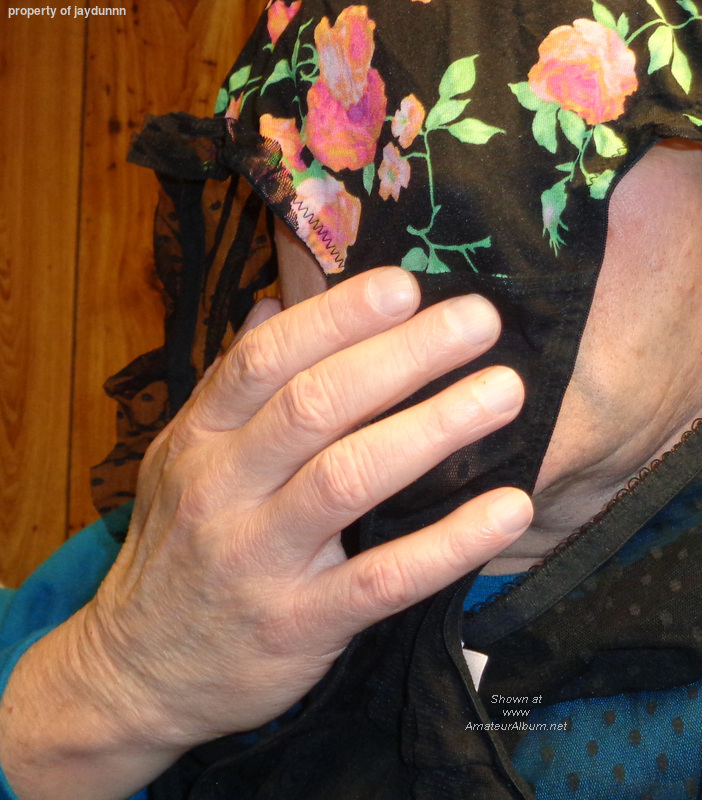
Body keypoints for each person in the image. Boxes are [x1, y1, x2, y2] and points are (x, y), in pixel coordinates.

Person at [2, 1, 702, 798]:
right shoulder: (173, 556)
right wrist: (108, 683)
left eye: (549, 135)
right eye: (330, 158)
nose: (434, 196)